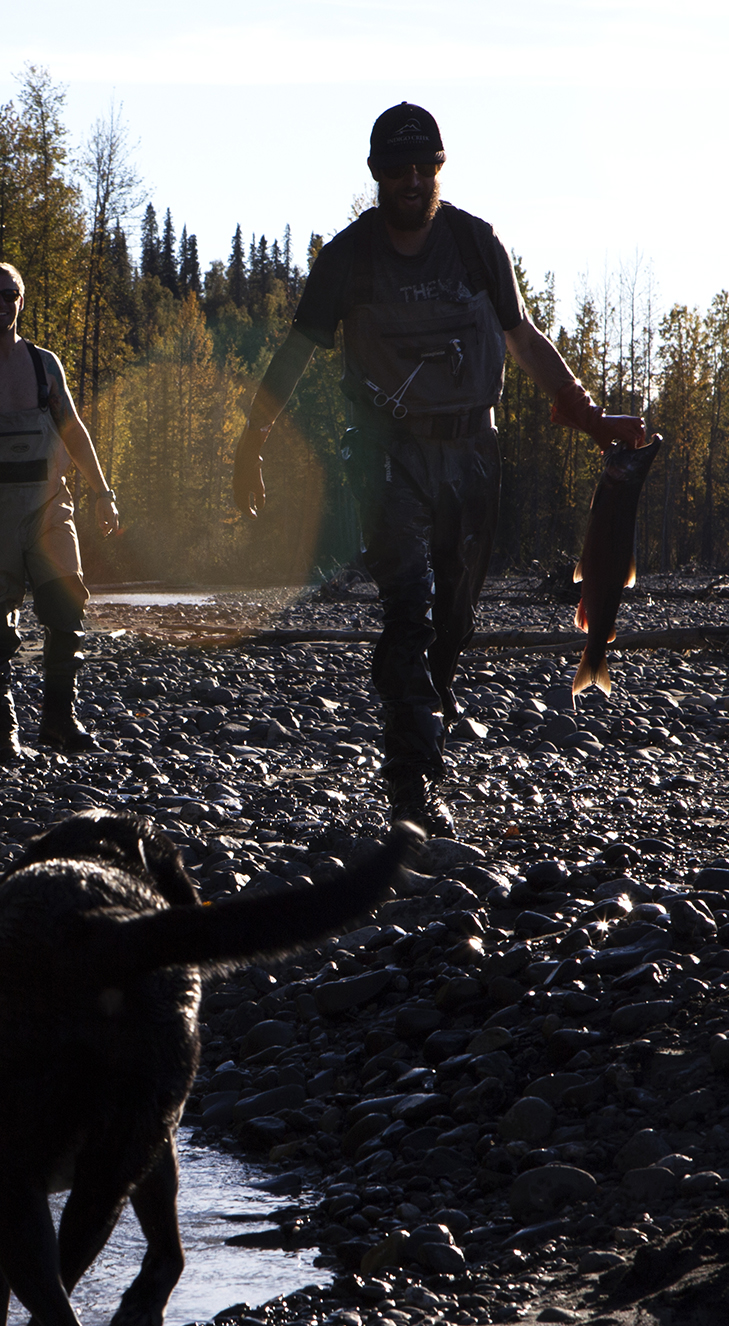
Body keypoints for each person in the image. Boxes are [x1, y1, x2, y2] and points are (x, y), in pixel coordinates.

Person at [232, 102, 648, 835]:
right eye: (398, 169)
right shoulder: (348, 259)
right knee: (408, 610)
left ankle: (426, 714)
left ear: (439, 170)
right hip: (386, 455)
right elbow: (296, 354)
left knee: (452, 617)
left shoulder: (475, 244)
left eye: (426, 167)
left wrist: (587, 416)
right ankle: (412, 789)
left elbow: (523, 339)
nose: (413, 180)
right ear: (375, 174)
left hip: (473, 453)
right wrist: (252, 442)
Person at [0, 261, 122, 763]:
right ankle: (4, 733)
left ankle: (59, 719)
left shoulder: (45, 363)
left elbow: (73, 429)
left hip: (49, 506)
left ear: (21, 299)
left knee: (67, 607)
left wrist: (102, 491)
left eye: (7, 295)